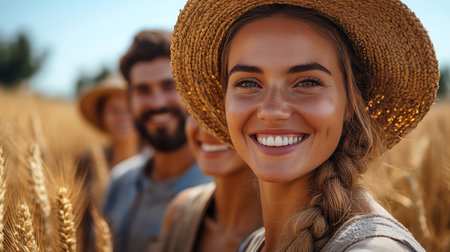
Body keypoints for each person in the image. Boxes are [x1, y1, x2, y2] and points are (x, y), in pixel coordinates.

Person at [171, 1, 438, 251]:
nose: (272, 111)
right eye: (248, 83)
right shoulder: (255, 243)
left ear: (352, 102)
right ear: (224, 99)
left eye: (307, 82)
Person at [102, 30, 212, 252]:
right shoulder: (120, 181)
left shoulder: (218, 189)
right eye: (143, 90)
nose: (157, 102)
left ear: (193, 92)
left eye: (169, 86)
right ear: (130, 100)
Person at [157, 115, 262, 252]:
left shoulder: (287, 235)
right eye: (196, 110)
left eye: (223, 112)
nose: (207, 128)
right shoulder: (180, 212)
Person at [79, 74, 140, 170]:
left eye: (129, 109)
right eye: (114, 110)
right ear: (102, 116)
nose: (122, 116)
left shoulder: (160, 162)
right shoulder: (86, 164)